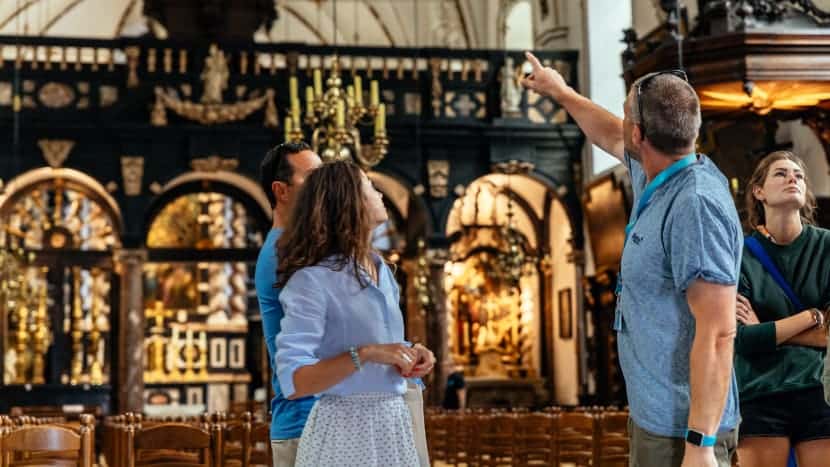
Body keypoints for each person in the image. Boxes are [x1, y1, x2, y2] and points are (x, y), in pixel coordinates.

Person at [521, 52, 741, 467]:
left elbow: (719, 332)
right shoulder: (658, 172)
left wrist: (701, 443)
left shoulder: (695, 204)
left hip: (684, 429)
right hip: (657, 416)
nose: (619, 123)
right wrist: (561, 92)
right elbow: (606, 132)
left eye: (625, 113)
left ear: (639, 133)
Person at [275, 161, 436, 467]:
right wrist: (367, 353)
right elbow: (294, 383)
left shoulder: (383, 271)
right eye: (371, 188)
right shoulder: (312, 280)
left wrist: (410, 354)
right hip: (344, 431)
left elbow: (382, 347)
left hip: (394, 424)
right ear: (351, 202)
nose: (380, 195)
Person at [734, 151, 830, 467]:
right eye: (780, 173)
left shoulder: (826, 246)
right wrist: (808, 318)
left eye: (799, 175)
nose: (793, 178)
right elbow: (743, 339)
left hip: (818, 389)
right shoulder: (741, 256)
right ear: (758, 192)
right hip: (760, 392)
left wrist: (770, 329)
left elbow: (828, 335)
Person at [255, 141, 322, 467]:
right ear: (281, 190)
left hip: (318, 419)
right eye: (312, 178)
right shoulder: (283, 253)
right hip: (304, 420)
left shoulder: (300, 249)